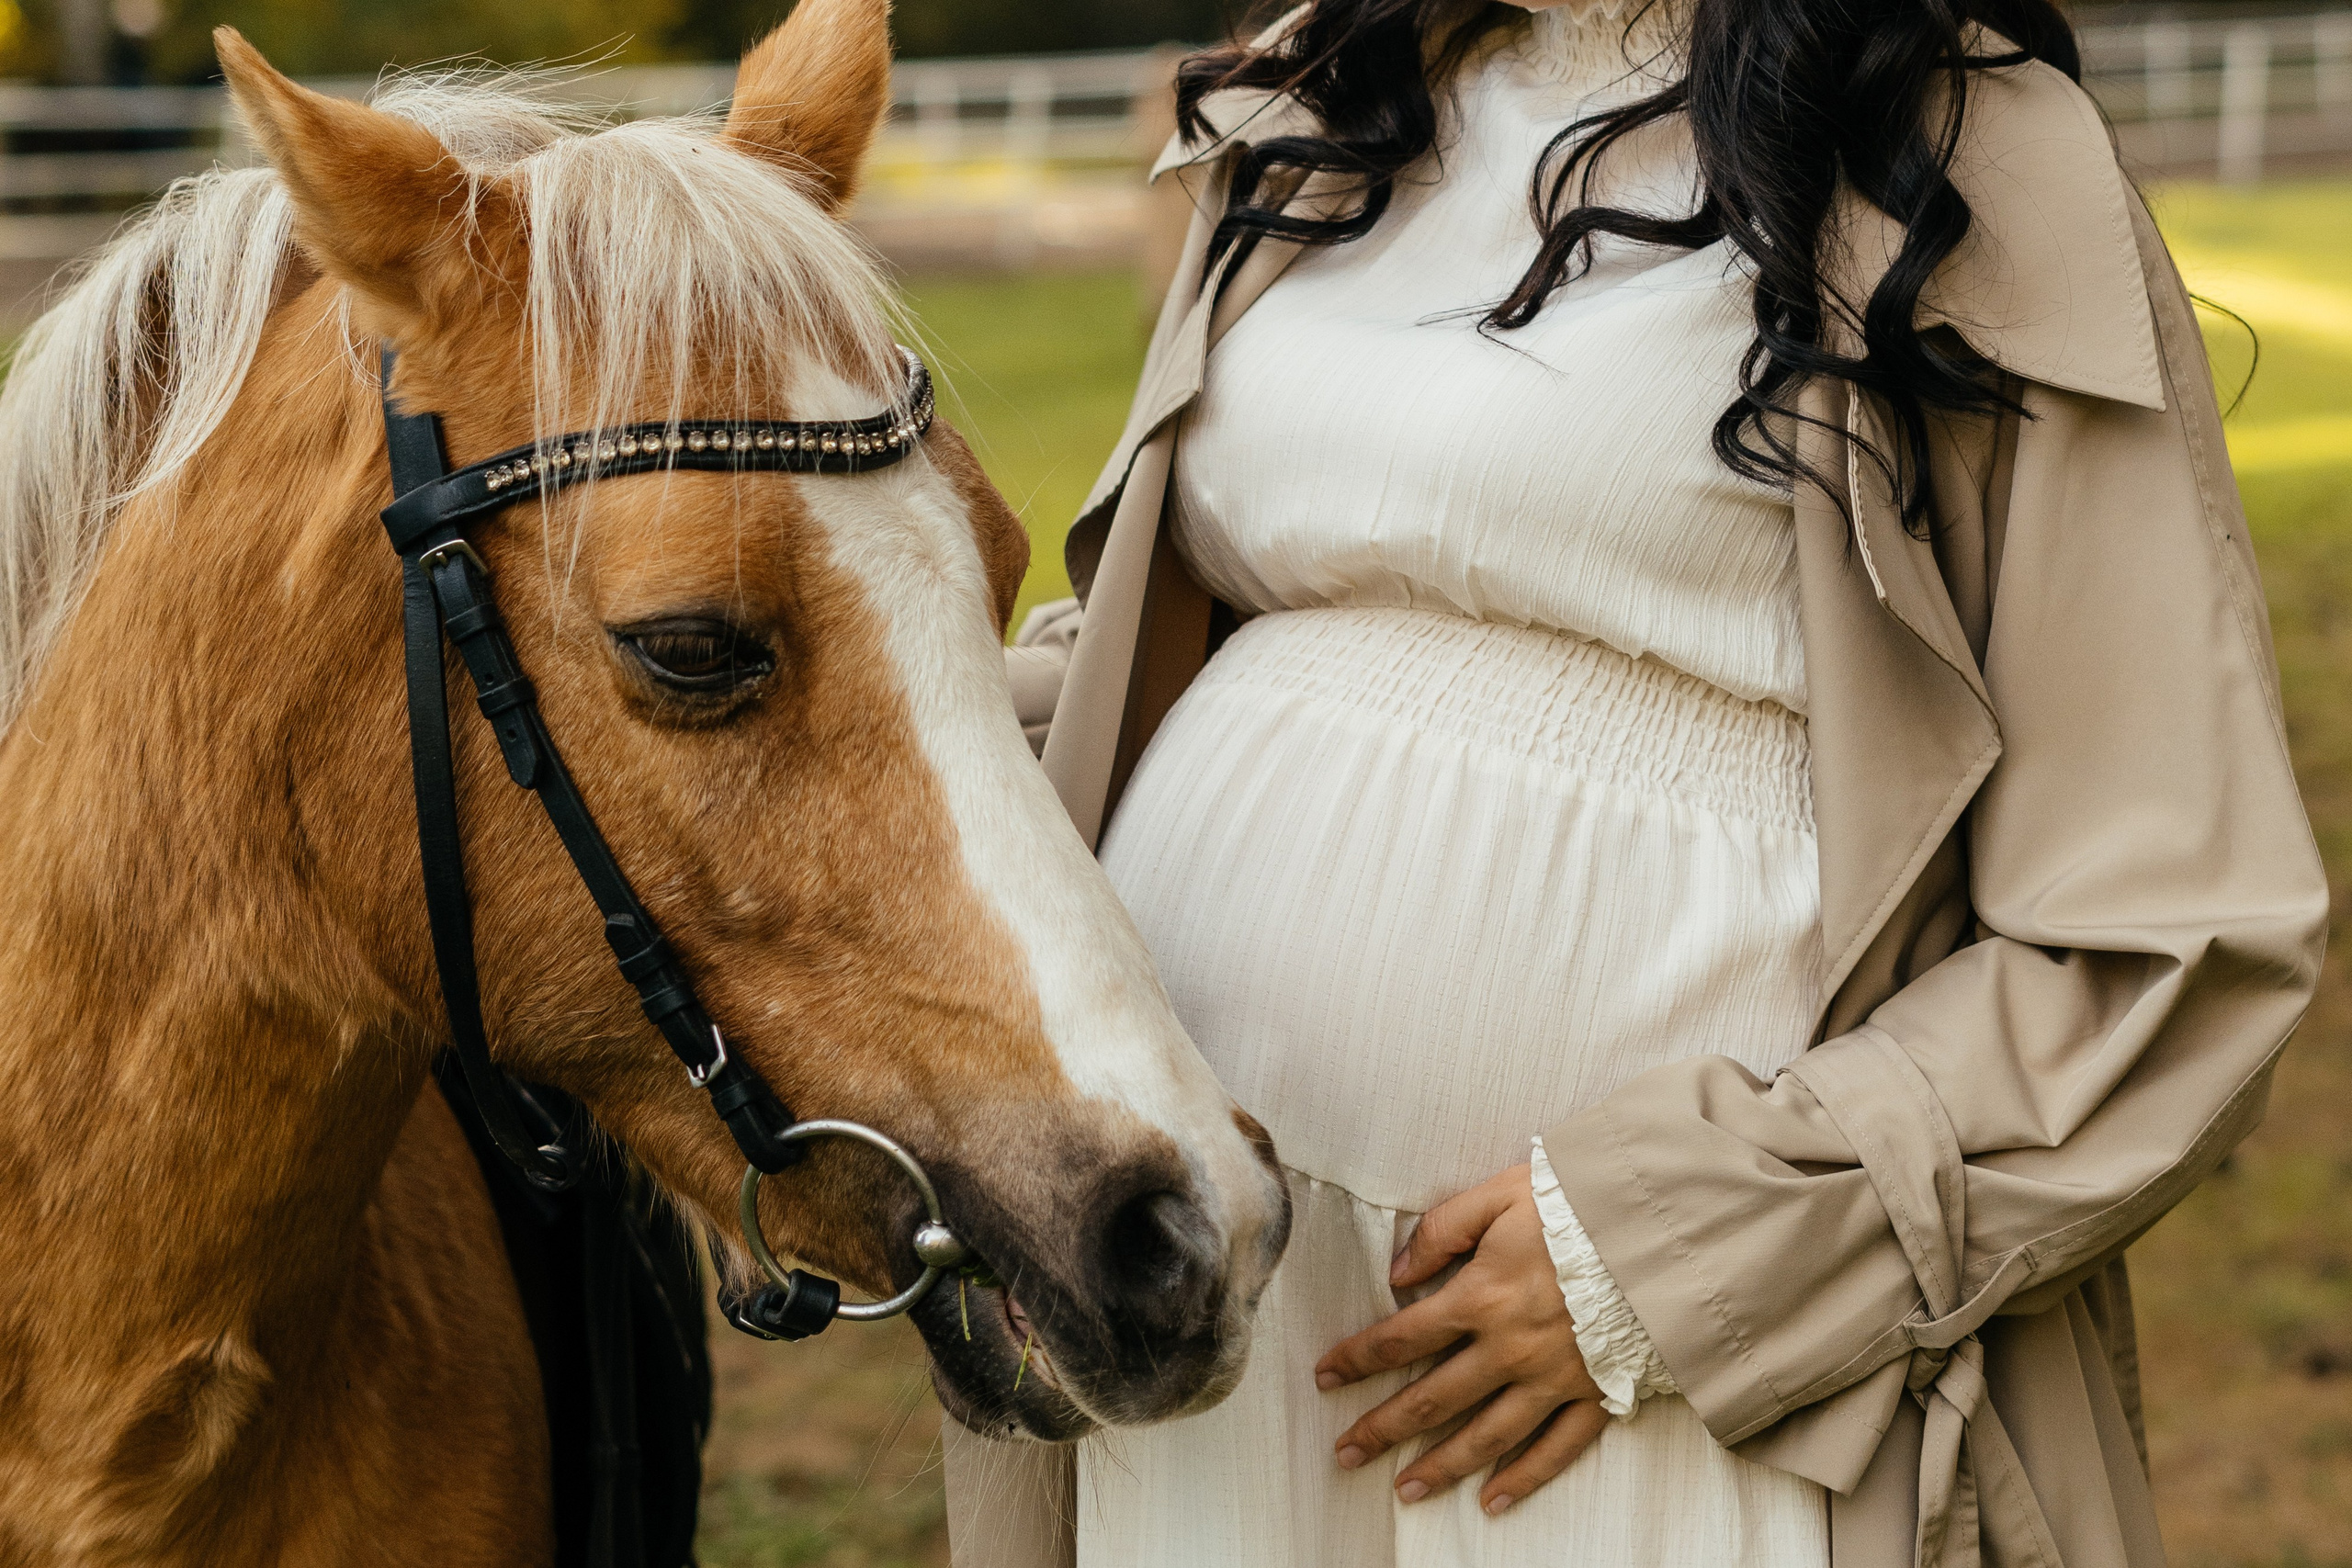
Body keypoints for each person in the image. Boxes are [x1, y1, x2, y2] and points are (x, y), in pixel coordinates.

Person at [947, 0, 2328, 1563]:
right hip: (1221, 1288)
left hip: (1672, 1392)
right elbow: (1170, 646)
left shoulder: (1957, 158)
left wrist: (1669, 1255)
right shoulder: (1318, 110)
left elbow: (2172, 937)